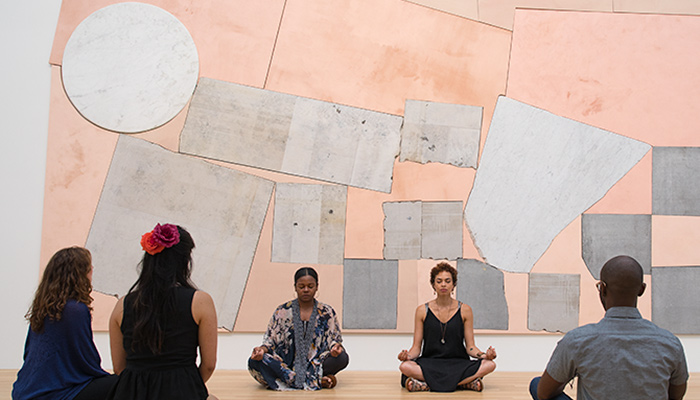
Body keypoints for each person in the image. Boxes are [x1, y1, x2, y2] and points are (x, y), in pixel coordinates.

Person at [530, 255, 689, 400]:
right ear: (641, 289)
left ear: (603, 289)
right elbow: (676, 396)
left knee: (537, 384)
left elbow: (544, 393)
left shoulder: (577, 340)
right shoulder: (671, 343)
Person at [107, 223, 218, 400]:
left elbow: (119, 367)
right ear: (185, 261)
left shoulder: (123, 304)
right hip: (181, 391)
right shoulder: (200, 301)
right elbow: (209, 365)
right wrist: (189, 385)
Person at [12, 246, 118, 400]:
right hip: (53, 393)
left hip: (25, 390)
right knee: (121, 384)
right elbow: (86, 359)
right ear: (79, 275)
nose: (92, 271)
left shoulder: (44, 307)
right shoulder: (76, 310)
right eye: (89, 268)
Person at [398, 261, 497, 392]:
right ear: (433, 284)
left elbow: (471, 347)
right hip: (431, 362)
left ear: (453, 284)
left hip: (458, 363)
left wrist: (485, 355)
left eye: (447, 281)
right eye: (439, 281)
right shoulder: (422, 310)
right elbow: (416, 348)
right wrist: (407, 357)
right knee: (405, 367)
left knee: (490, 365)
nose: (443, 284)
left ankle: (427, 384)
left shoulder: (465, 310)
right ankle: (463, 383)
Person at [248, 266, 349, 390]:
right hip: (285, 364)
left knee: (342, 358)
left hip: (316, 363)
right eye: (301, 287)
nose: (306, 290)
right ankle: (315, 380)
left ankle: (295, 380)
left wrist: (335, 348)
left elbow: (335, 340)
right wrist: (261, 350)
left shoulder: (327, 312)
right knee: (254, 362)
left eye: (310, 286)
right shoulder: (282, 311)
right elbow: (270, 341)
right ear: (295, 287)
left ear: (317, 286)